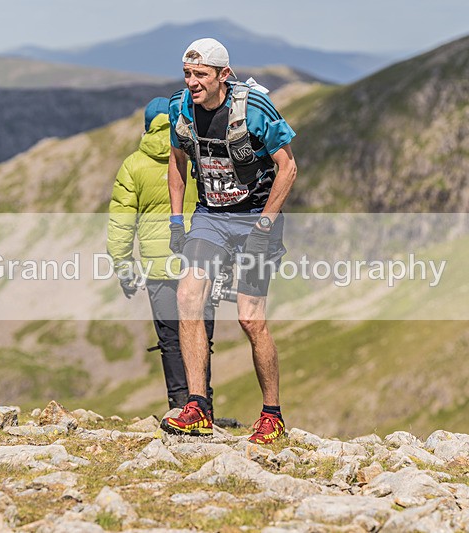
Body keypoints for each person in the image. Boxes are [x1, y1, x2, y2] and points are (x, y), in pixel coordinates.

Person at [160, 39, 297, 443]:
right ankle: (197, 406)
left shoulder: (254, 108)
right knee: (188, 298)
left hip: (256, 218)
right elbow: (177, 162)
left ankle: (272, 414)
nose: (192, 82)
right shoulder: (179, 107)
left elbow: (288, 168)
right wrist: (175, 221)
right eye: (187, 74)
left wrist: (264, 228)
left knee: (250, 318)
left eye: (200, 75)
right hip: (210, 218)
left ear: (224, 75)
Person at [106, 97, 215, 412]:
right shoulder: (196, 154)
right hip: (201, 259)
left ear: (147, 127)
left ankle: (181, 407)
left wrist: (126, 271)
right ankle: (204, 409)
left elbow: (121, 227)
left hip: (158, 269)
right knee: (201, 338)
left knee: (171, 341)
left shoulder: (133, 165)